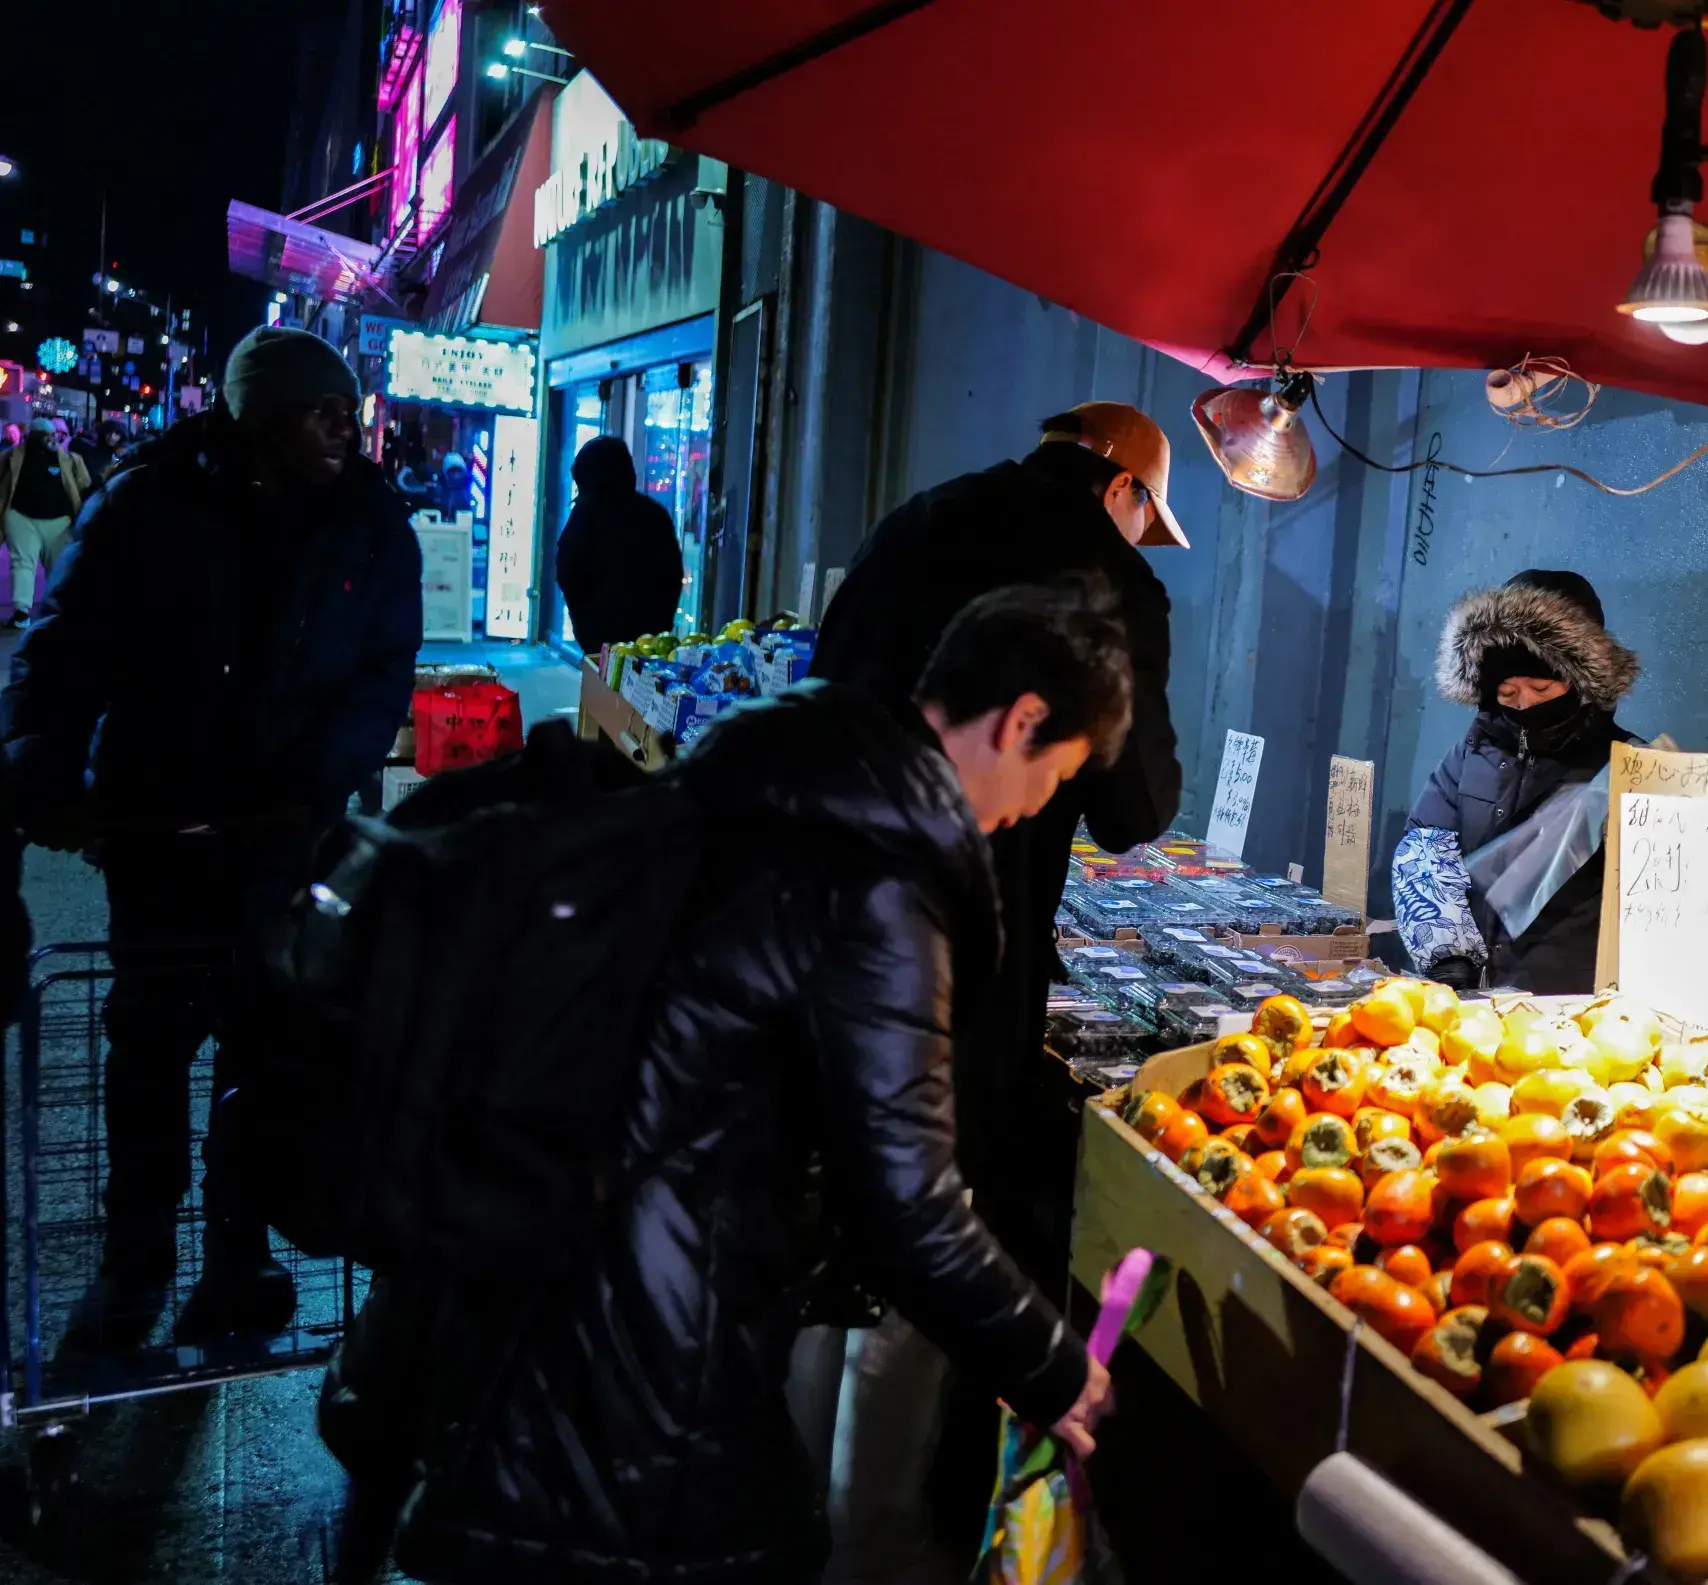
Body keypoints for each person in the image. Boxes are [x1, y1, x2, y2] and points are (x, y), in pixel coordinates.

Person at [319, 579, 1126, 1585]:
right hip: (653, 1318)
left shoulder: (771, 765)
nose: (1032, 812)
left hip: (557, 1247)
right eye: (1056, 778)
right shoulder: (879, 878)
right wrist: (1056, 1368)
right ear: (1023, 721)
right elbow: (908, 1201)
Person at [0, 326, 422, 1350]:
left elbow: (381, 676)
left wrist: (315, 788)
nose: (343, 429)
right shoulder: (149, 501)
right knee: (147, 1045)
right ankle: (133, 1262)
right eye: (320, 411)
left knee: (264, 1047)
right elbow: (63, 655)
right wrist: (42, 782)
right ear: (258, 415)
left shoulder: (371, 520)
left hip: (282, 834)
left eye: (347, 410)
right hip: (160, 824)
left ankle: (238, 1257)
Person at [810, 402, 1183, 1270]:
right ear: (1122, 486)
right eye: (1144, 521)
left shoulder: (919, 518)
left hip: (825, 900)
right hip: (969, 958)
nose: (1139, 540)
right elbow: (1136, 812)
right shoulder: (1112, 584)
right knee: (924, 1216)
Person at [1394, 569, 1642, 994]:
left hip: (1570, 1005)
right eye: (1508, 693)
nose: (1524, 705)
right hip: (1471, 994)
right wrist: (1448, 960)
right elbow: (1426, 847)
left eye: (1541, 688)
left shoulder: (1629, 766)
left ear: (1580, 682)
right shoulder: (1472, 752)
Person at [553, 434, 684, 651]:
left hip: (599, 641)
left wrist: (585, 626)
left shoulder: (586, 514)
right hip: (648, 644)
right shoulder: (655, 514)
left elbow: (568, 572)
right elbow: (671, 576)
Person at [0, 417, 94, 626]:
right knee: (23, 564)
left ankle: (57, 608)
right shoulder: (12, 456)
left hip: (59, 521)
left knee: (59, 566)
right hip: (21, 517)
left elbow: (84, 482)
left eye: (55, 433)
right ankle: (22, 611)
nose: (51, 438)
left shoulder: (70, 458)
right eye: (45, 434)